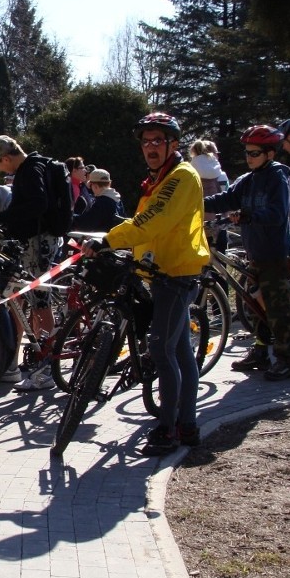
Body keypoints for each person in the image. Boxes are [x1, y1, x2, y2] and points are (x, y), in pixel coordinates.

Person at [83, 112, 210, 456]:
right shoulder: (159, 178)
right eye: (146, 141)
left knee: (161, 349)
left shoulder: (180, 177)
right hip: (165, 271)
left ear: (174, 143)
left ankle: (167, 428)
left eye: (158, 141)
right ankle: (188, 423)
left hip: (176, 275)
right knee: (181, 350)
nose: (151, 148)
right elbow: (144, 223)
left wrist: (108, 240)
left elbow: (151, 223)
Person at [204, 125, 290, 381]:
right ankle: (262, 351)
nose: (248, 157)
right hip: (254, 253)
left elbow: (278, 214)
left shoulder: (278, 178)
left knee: (277, 308)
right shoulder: (248, 180)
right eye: (247, 152)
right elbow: (226, 199)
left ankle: (286, 359)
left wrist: (249, 215)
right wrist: (193, 201)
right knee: (254, 307)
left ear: (270, 154)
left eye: (254, 153)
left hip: (274, 255)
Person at [0, 136, 61, 390]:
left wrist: (4, 218)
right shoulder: (31, 168)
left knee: (40, 302)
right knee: (32, 300)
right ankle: (32, 364)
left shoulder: (30, 170)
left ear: (6, 158)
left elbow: (37, 204)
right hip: (34, 241)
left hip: (39, 243)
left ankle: (47, 369)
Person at [71, 168, 125, 233]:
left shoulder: (102, 202)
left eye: (91, 186)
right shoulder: (117, 199)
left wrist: (68, 216)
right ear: (109, 183)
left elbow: (85, 224)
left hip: (103, 240)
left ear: (95, 186)